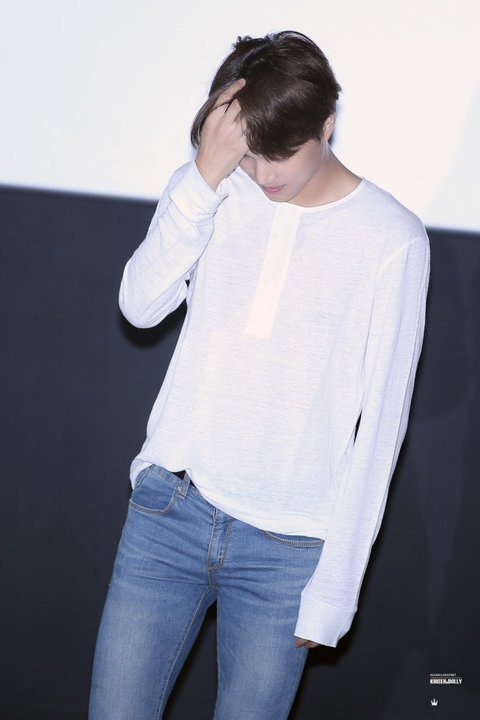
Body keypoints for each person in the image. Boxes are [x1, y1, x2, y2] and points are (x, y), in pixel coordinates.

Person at [89, 30, 430, 720]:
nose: (264, 172)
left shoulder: (392, 239)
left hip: (288, 551)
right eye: (249, 152)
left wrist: (336, 591)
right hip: (171, 510)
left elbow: (382, 427)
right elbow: (141, 306)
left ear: (326, 125)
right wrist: (204, 177)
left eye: (281, 152)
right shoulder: (213, 191)